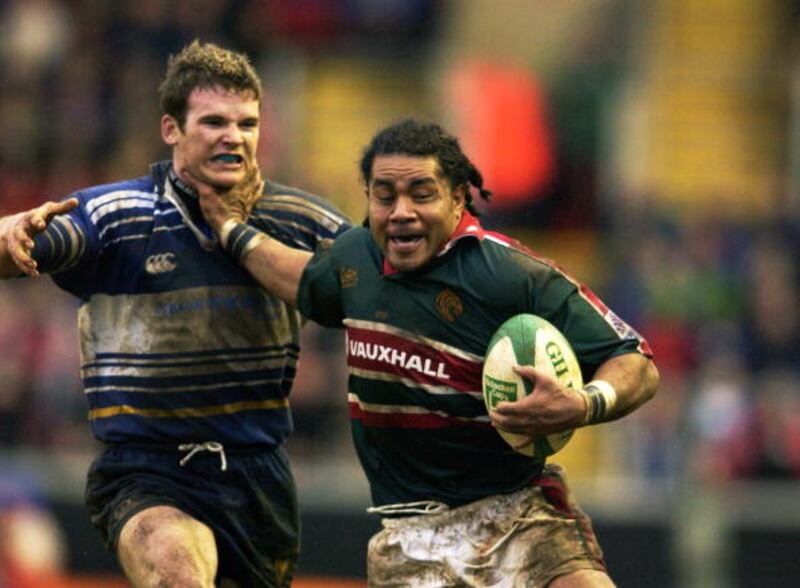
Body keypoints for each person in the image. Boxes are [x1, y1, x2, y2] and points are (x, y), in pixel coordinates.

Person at [196, 119, 659, 587]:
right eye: (384, 195)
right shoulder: (353, 259)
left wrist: (583, 402)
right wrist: (230, 228)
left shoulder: (510, 275)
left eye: (421, 194)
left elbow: (635, 360)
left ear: (458, 198)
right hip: (409, 542)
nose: (400, 212)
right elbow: (299, 278)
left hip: (519, 517)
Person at [0, 40, 350, 587]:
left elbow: (384, 290)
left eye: (246, 123)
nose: (233, 137)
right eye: (213, 121)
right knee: (177, 573)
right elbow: (30, 243)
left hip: (259, 478)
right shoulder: (115, 215)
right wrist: (8, 237)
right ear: (171, 129)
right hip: (147, 471)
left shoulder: (301, 219)